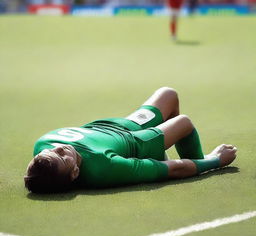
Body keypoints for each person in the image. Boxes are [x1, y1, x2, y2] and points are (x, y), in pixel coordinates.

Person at [24, 87, 237, 193]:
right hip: (138, 142)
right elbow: (171, 170)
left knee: (168, 94)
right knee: (184, 123)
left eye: (52, 150)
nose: (60, 148)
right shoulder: (105, 168)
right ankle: (197, 163)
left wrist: (54, 156)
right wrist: (215, 160)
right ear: (75, 173)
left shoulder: (42, 147)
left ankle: (169, 150)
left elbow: (52, 157)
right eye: (63, 157)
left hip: (124, 125)